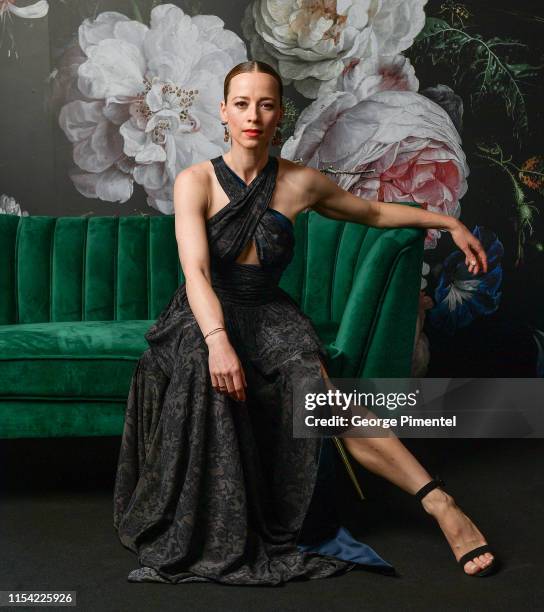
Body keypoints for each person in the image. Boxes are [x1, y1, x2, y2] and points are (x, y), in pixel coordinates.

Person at [113, 60, 499, 585]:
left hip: (270, 311)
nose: (254, 115)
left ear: (278, 115)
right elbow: (197, 272)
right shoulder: (194, 181)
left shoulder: (300, 182)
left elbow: (374, 214)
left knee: (323, 398)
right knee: (204, 367)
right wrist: (218, 340)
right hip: (204, 311)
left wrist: (448, 220)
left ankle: (440, 503)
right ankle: (223, 517)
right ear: (224, 113)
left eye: (266, 104)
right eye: (242, 104)